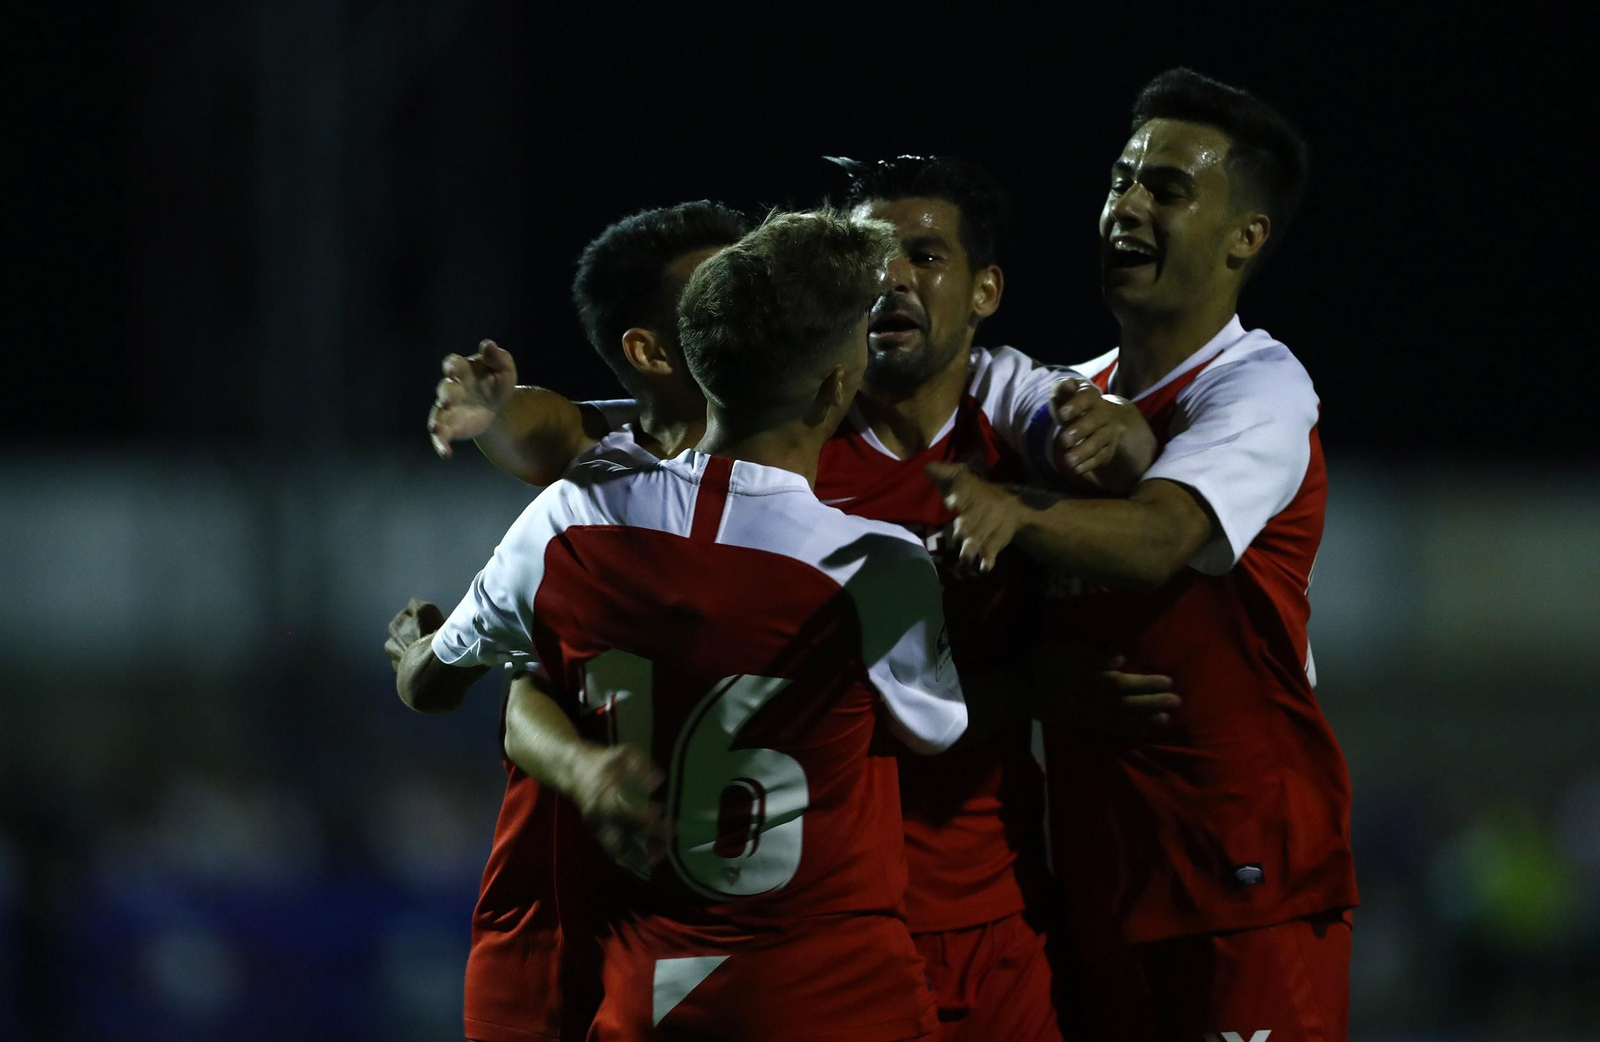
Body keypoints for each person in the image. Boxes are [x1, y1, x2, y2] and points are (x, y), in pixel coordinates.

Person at [428, 158, 1180, 1041]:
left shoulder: (1016, 417)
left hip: (950, 911)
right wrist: (1035, 687)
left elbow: (1102, 441)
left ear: (985, 290)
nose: (891, 281)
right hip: (772, 946)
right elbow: (564, 445)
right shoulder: (706, 477)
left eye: (923, 256)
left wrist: (1115, 436)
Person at [391, 208, 967, 1041]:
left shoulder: (571, 517)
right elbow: (934, 727)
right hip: (826, 990)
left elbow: (446, 683)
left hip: (641, 991)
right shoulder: (876, 563)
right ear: (838, 382)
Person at [930, 69, 1358, 1041]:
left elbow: (1159, 539)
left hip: (1238, 886)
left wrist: (1017, 512)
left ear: (1244, 236)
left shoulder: (1261, 388)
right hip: (1095, 882)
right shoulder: (1063, 397)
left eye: (1167, 188)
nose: (1127, 205)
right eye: (1122, 179)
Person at [391, 200, 752, 1042]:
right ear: (653, 350)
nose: (757, 304)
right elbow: (552, 429)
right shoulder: (590, 506)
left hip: (769, 939)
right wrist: (499, 413)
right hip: (571, 931)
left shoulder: (847, 491)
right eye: (723, 293)